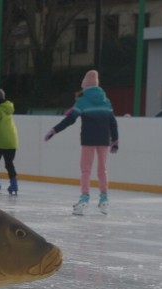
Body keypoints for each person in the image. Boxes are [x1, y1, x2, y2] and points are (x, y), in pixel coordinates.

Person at [44, 69, 118, 215]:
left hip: (88, 140)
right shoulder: (106, 101)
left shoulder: (82, 101)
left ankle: (84, 201)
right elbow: (113, 122)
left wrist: (54, 130)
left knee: (86, 170)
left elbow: (70, 119)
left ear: (85, 86)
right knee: (102, 169)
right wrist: (115, 140)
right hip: (104, 140)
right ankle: (104, 201)